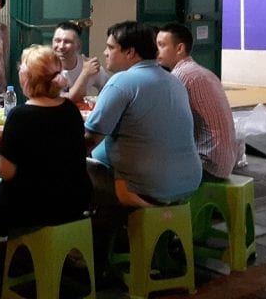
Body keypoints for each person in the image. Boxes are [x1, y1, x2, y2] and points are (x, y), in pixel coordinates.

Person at [0, 45, 93, 290]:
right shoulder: (70, 111)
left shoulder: (20, 116)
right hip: (75, 201)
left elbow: (6, 173)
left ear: (26, 78)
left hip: (32, 205)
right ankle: (46, 253)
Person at [84, 21, 201, 207]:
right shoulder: (174, 81)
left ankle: (104, 232)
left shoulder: (121, 82)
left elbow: (90, 139)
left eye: (110, 47)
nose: (105, 53)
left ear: (130, 52)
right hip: (190, 181)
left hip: (146, 186)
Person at [157, 23, 237, 180]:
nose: (156, 51)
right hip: (225, 162)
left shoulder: (180, 76)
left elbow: (167, 124)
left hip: (207, 164)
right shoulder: (203, 72)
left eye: (161, 45)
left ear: (179, 48)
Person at [52, 21, 111, 103]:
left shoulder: (89, 65)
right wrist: (85, 73)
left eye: (67, 42)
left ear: (78, 45)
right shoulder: (44, 67)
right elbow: (67, 101)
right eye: (57, 41)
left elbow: (109, 92)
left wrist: (96, 103)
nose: (61, 46)